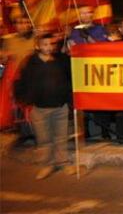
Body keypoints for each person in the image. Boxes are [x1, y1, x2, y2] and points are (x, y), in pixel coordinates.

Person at [13, 33, 75, 180]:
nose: (49, 47)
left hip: (60, 107)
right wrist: (26, 100)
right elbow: (20, 82)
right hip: (40, 109)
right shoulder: (30, 63)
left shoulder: (61, 60)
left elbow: (71, 76)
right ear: (38, 46)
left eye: (51, 44)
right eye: (45, 44)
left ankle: (63, 162)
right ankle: (47, 165)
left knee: (61, 137)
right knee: (44, 139)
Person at [68, 6, 111, 140]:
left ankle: (106, 130)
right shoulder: (73, 31)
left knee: (101, 101)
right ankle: (84, 131)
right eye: (82, 13)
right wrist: (69, 44)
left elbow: (104, 48)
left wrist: (88, 37)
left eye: (88, 12)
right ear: (78, 15)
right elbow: (69, 50)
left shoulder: (100, 28)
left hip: (97, 70)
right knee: (81, 101)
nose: (86, 15)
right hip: (80, 70)